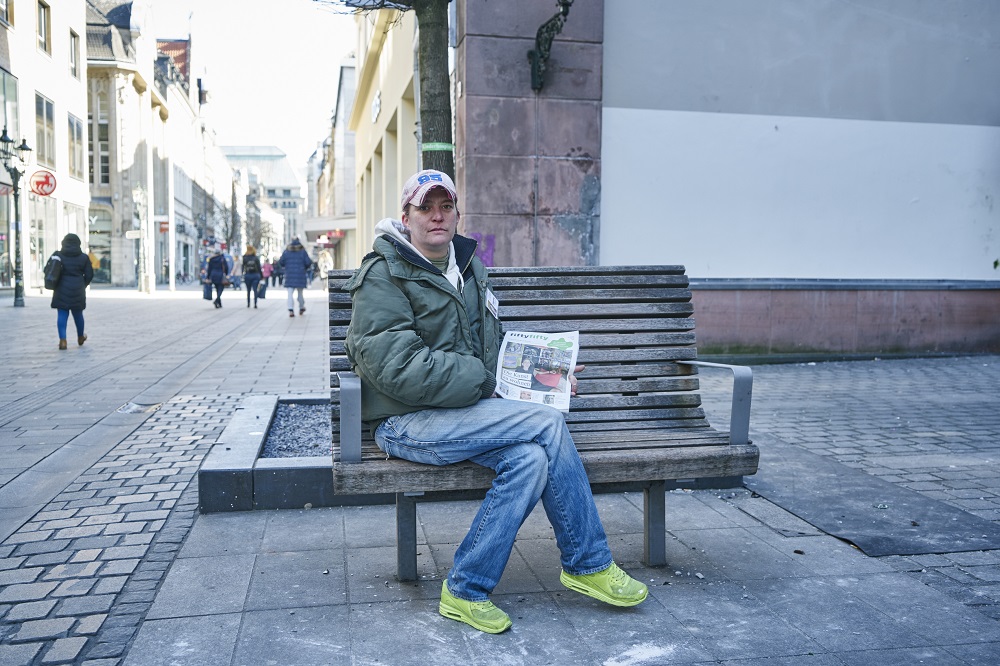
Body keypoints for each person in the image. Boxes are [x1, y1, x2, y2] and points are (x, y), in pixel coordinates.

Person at [344, 170, 647, 634]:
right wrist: (488, 384)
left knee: (529, 460)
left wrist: (550, 378)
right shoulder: (382, 275)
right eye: (425, 208)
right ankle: (587, 562)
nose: (437, 216)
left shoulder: (467, 268)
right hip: (405, 421)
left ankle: (464, 589)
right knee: (546, 425)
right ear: (406, 217)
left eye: (445, 206)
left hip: (462, 414)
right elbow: (396, 367)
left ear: (457, 214)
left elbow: (493, 348)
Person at [49, 233, 94, 350]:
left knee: (62, 314)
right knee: (78, 314)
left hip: (61, 289)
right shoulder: (83, 257)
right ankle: (80, 337)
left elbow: (47, 270)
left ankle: (63, 341)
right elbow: (89, 274)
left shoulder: (58, 255)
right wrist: (83, 284)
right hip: (78, 289)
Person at [280, 238, 312, 317]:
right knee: (300, 293)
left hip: (289, 275)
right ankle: (301, 307)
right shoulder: (302, 251)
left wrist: (287, 267)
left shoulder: (287, 251)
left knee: (290, 293)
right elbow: (308, 262)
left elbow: (281, 262)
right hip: (300, 275)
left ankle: (291, 310)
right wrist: (304, 268)